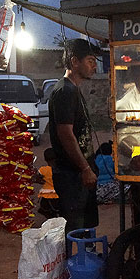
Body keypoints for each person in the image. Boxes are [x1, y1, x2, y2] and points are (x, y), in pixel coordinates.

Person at [49, 38, 100, 233]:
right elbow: (66, 134)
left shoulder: (73, 90)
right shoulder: (64, 91)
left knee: (86, 228)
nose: (94, 66)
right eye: (90, 60)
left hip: (80, 174)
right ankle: (72, 263)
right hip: (72, 175)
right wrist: (85, 168)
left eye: (95, 61)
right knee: (73, 230)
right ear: (74, 61)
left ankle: (86, 259)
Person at [34, 148, 60, 219]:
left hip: (47, 196)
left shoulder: (43, 170)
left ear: (45, 160)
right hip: (59, 195)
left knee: (47, 210)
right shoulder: (60, 169)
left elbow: (36, 178)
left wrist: (42, 181)